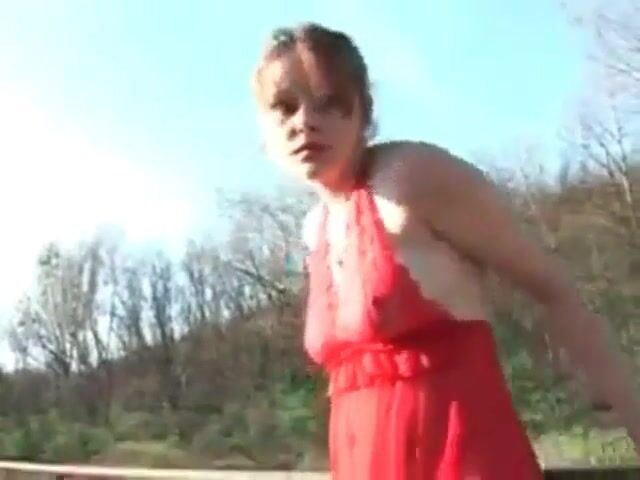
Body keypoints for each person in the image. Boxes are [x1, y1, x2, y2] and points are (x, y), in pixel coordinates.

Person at [251, 22, 640, 479]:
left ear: (364, 115)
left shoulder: (410, 178)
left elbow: (554, 290)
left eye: (330, 102)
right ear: (263, 129)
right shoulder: (313, 230)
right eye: (285, 107)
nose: (304, 122)